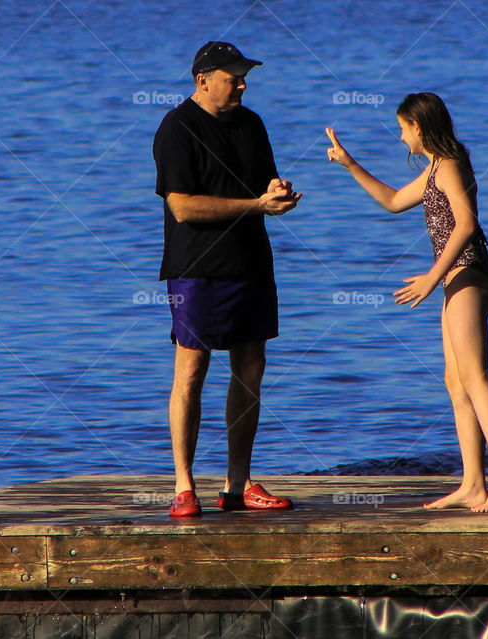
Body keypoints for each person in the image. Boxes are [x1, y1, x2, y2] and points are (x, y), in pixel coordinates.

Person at [325, 92, 488, 512]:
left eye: (401, 129)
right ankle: (473, 482)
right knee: (457, 383)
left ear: (418, 126)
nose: (400, 138)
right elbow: (394, 201)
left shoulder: (450, 165)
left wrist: (433, 278)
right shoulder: (436, 167)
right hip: (458, 279)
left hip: (468, 276)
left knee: (475, 378)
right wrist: (349, 164)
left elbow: (466, 223)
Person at [152, 41, 301, 518]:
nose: (242, 84)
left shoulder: (251, 123)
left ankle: (239, 484)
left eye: (243, 76)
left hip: (251, 261)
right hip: (196, 266)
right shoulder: (177, 128)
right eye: (233, 76)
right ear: (203, 79)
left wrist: (276, 193)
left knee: (250, 368)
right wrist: (257, 206)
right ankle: (184, 486)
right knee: (191, 370)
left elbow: (264, 186)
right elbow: (182, 206)